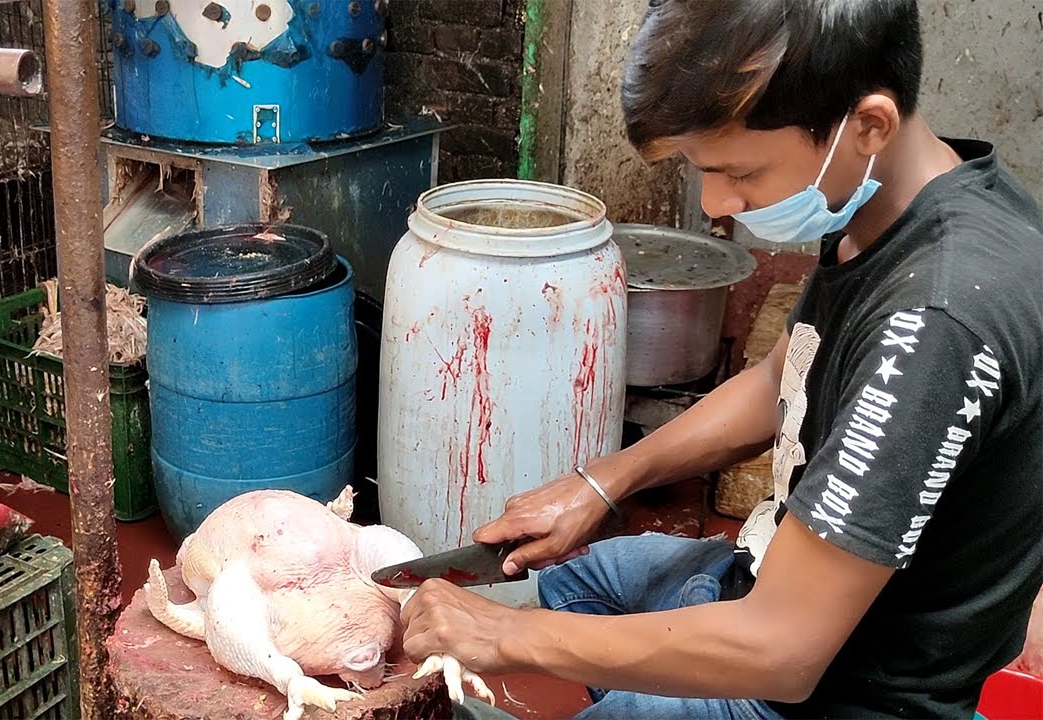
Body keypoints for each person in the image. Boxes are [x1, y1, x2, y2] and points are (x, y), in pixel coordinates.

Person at [398, 1, 1043, 718]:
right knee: (584, 580)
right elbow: (783, 377)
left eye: (739, 170)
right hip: (766, 575)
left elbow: (782, 651)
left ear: (868, 125)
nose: (715, 201)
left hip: (832, 688)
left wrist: (507, 635)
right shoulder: (882, 201)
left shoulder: (936, 323)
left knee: (542, 634)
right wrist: (603, 482)